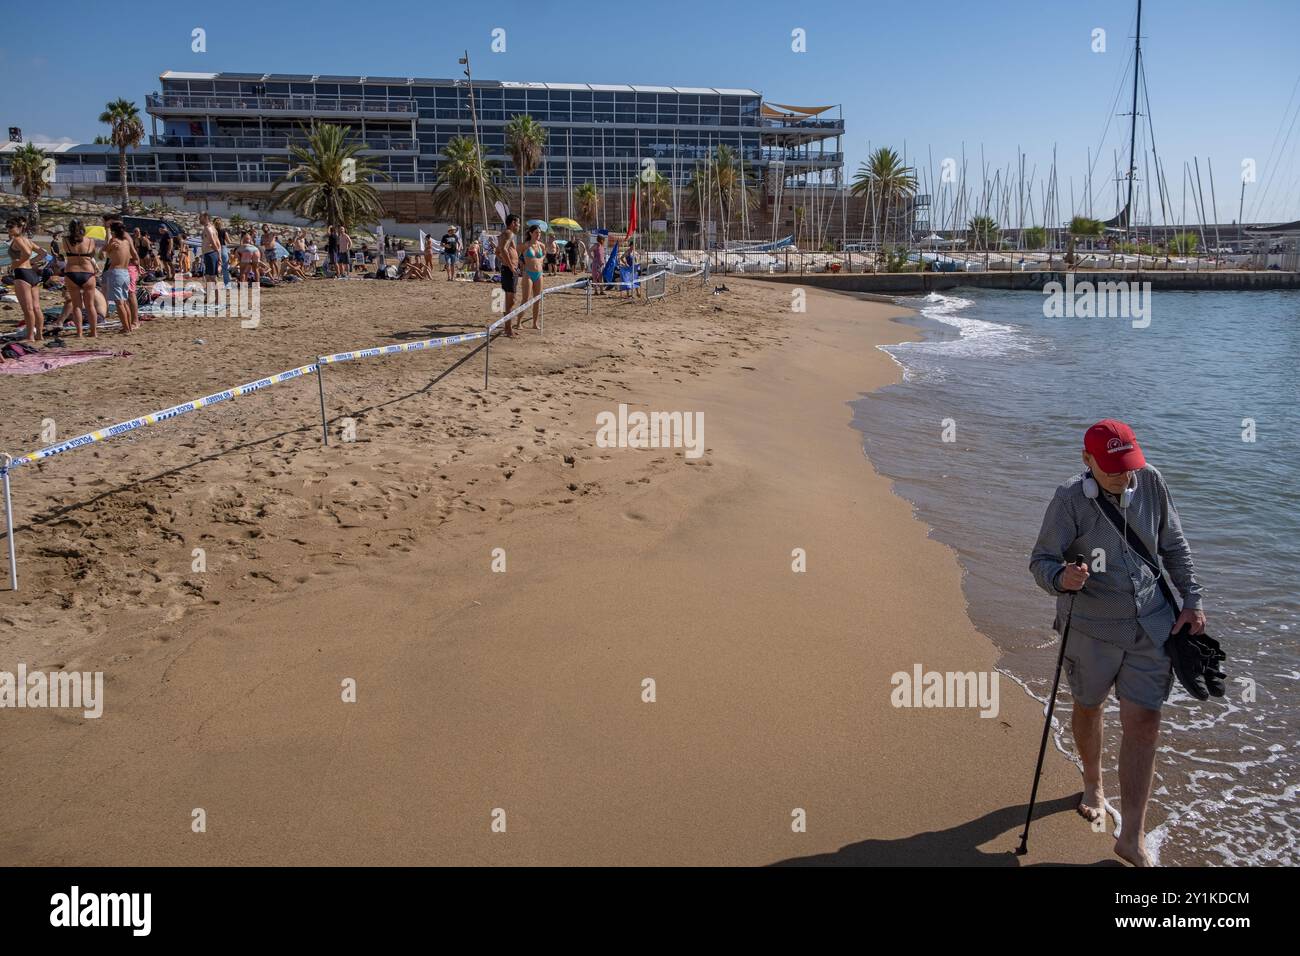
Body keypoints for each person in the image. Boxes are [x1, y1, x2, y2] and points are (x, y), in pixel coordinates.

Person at [1030, 419, 1206, 868]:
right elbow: (1041, 560)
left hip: (1152, 623)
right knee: (1089, 706)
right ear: (1086, 461)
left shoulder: (1151, 482)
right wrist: (1061, 578)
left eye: (1127, 466)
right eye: (1110, 469)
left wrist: (1193, 599)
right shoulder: (1069, 498)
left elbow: (1174, 544)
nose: (1122, 477)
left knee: (1145, 722)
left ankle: (1132, 834)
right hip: (1090, 627)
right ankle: (1093, 782)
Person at [6, 217, 45, 343]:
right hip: (31, 273)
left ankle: (30, 336)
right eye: (8, 226)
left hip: (22, 274)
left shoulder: (17, 240)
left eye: (11, 226)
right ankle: (39, 334)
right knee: (36, 307)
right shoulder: (27, 240)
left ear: (19, 227)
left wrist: (17, 264)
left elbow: (27, 253)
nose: (8, 229)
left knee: (28, 308)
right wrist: (30, 262)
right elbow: (43, 253)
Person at [62, 219, 100, 337]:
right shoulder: (90, 241)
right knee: (90, 305)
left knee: (76, 305)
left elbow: (65, 252)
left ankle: (79, 333)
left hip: (71, 273)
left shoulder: (65, 240)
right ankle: (93, 332)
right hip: (87, 273)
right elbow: (92, 255)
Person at [104, 220, 139, 333]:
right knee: (124, 302)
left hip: (116, 272)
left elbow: (104, 251)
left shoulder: (114, 241)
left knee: (119, 303)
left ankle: (126, 328)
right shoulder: (127, 242)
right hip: (125, 272)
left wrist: (107, 232)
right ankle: (128, 326)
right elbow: (135, 257)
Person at [519, 223, 546, 330]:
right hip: (528, 273)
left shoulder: (542, 245)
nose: (538, 234)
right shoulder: (525, 245)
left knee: (537, 299)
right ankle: (519, 322)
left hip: (539, 274)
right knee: (525, 299)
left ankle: (535, 323)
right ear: (530, 233)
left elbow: (544, 255)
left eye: (539, 233)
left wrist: (541, 259)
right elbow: (514, 252)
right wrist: (518, 264)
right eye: (536, 232)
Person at [497, 214, 520, 336]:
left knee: (509, 301)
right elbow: (504, 249)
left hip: (507, 269)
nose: (519, 226)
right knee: (511, 301)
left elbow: (497, 251)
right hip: (509, 271)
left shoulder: (504, 234)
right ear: (513, 223)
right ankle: (508, 329)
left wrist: (505, 262)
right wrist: (511, 266)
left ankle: (508, 328)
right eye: (518, 223)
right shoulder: (509, 233)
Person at [200, 212, 222, 298]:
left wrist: (218, 254)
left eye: (200, 217)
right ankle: (209, 297)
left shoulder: (208, 228)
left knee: (212, 277)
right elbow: (218, 242)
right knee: (208, 277)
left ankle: (217, 298)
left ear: (206, 217)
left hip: (210, 253)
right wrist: (218, 253)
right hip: (211, 253)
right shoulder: (212, 228)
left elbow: (213, 241)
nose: (199, 219)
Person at [214, 217, 232, 286]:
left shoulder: (213, 231)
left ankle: (214, 283)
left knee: (215, 267)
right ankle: (227, 284)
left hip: (215, 249)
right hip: (223, 248)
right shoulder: (224, 231)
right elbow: (229, 241)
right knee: (225, 268)